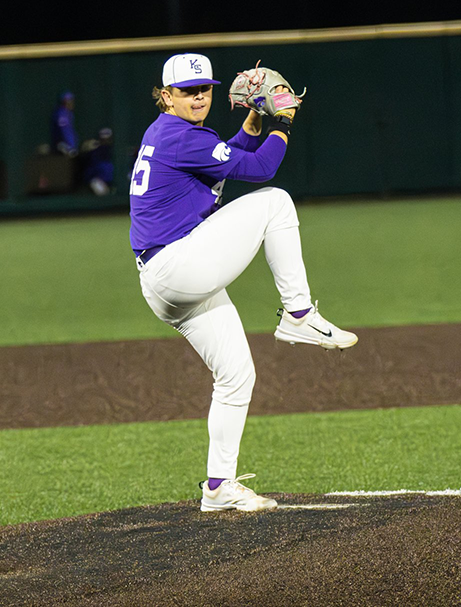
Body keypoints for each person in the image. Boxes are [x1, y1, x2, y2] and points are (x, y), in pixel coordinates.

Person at [129, 53, 357, 513]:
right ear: (166, 94)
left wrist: (255, 120)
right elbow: (259, 170)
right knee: (274, 201)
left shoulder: (171, 135)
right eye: (188, 91)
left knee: (236, 376)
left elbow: (225, 160)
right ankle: (298, 314)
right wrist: (284, 122)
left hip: (167, 279)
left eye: (205, 89)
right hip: (179, 264)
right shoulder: (180, 137)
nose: (199, 97)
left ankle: (218, 487)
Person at [80, 127, 115, 196]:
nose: (105, 141)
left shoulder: (115, 151)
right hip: (99, 181)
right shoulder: (94, 153)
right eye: (103, 139)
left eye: (108, 139)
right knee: (98, 186)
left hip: (114, 182)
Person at [52, 91, 79, 157]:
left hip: (69, 146)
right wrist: (72, 146)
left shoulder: (68, 113)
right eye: (71, 100)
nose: (73, 103)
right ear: (65, 101)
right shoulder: (62, 114)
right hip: (62, 146)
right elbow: (65, 131)